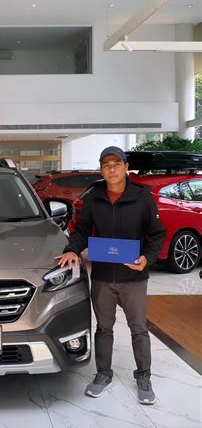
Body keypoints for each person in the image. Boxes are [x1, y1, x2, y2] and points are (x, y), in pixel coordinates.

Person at [56, 146, 165, 405]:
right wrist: (72, 250)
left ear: (126, 167)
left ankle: (144, 376)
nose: (112, 169)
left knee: (139, 328)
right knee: (104, 328)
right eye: (106, 165)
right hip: (103, 276)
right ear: (101, 170)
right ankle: (103, 373)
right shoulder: (94, 198)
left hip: (134, 277)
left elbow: (157, 233)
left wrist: (147, 258)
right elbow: (82, 230)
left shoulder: (142, 197)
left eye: (117, 164)